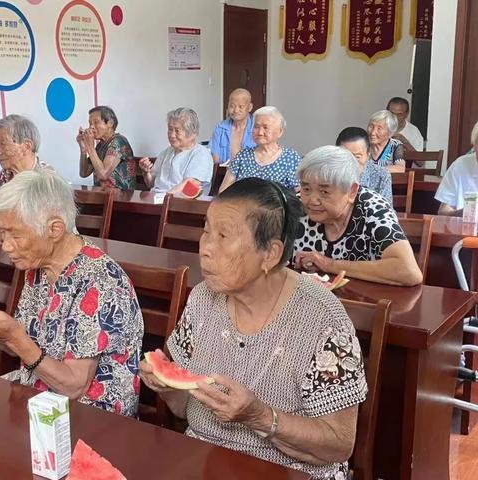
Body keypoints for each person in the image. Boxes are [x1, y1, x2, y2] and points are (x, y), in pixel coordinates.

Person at [140, 177, 366, 479]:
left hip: (291, 472)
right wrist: (167, 387)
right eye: (206, 230)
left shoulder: (322, 319)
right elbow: (184, 408)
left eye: (223, 236)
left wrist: (260, 417)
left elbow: (339, 444)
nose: (206, 248)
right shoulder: (202, 298)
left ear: (270, 254)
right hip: (206, 459)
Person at [0, 168, 143, 416]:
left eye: (15, 235)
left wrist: (16, 337)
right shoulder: (38, 267)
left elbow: (73, 387)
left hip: (91, 417)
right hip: (37, 397)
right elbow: (22, 344)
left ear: (54, 229)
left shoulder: (100, 282)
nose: (5, 245)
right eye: (3, 233)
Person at [293, 145, 422, 286]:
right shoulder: (296, 206)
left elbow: (408, 271)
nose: (312, 200)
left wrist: (329, 264)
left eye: (324, 192)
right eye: (306, 189)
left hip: (366, 302)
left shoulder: (373, 208)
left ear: (351, 191)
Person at [219, 106, 301, 192]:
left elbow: (299, 192)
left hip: (276, 205)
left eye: (265, 127)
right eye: (256, 127)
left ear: (280, 131)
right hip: (244, 204)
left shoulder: (290, 157)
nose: (260, 132)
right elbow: (224, 190)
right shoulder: (242, 156)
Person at [139, 108, 213, 195]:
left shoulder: (201, 154)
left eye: (177, 131)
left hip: (181, 204)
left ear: (192, 134)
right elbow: (151, 184)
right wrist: (146, 172)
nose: (172, 135)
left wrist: (165, 198)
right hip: (158, 200)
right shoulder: (165, 153)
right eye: (170, 129)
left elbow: (189, 186)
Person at [77, 106, 136, 191]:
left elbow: (103, 174)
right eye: (90, 123)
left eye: (96, 122)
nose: (91, 127)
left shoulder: (119, 141)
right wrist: (83, 150)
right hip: (102, 197)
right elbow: (84, 173)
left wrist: (90, 147)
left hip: (122, 199)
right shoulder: (100, 146)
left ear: (110, 123)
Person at [336, 127, 393, 206]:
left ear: (368, 153)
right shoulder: (329, 173)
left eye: (357, 156)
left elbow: (386, 209)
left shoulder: (381, 174)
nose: (351, 162)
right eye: (345, 156)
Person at [435, 120, 478, 215]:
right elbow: (443, 212)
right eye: (477, 144)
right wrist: (466, 213)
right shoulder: (461, 165)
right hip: (465, 228)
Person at [209, 88, 256, 165]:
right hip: (223, 174)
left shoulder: (257, 129)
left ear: (250, 107)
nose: (236, 110)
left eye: (241, 106)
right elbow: (215, 159)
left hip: (251, 175)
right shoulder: (220, 129)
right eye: (232, 106)